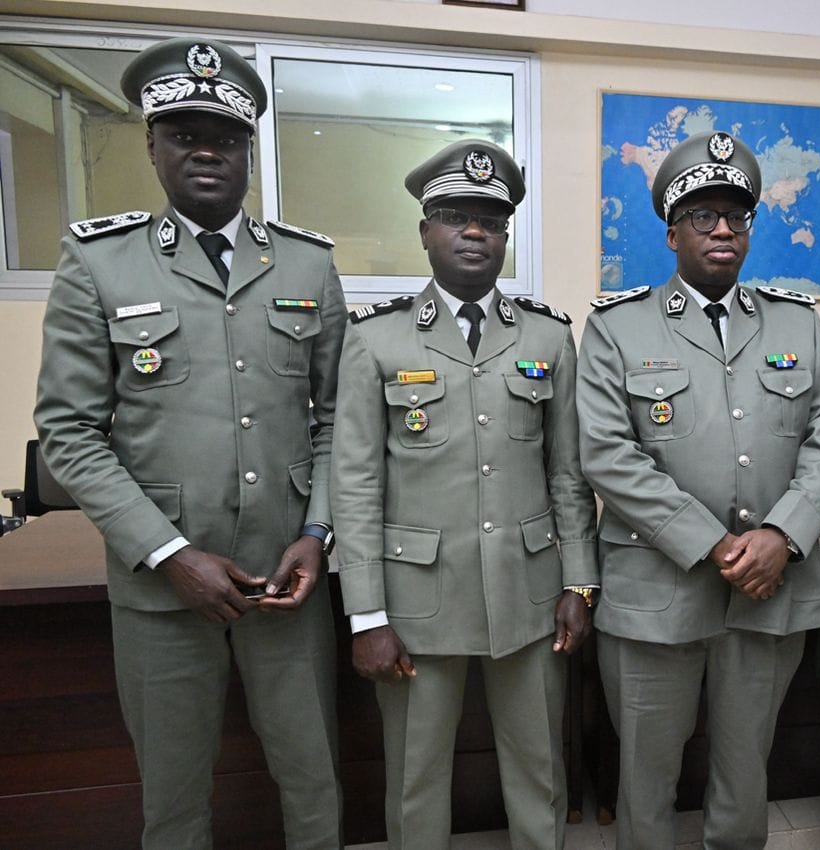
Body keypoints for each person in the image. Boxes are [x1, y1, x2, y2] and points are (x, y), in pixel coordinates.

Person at [34, 37, 346, 848]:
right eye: (183, 132)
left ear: (248, 147)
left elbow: (339, 420)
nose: (206, 149)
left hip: (287, 585)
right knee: (172, 802)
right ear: (151, 142)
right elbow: (68, 433)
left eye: (225, 135)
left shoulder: (307, 266)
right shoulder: (99, 263)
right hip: (161, 595)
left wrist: (317, 534)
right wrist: (170, 554)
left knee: (312, 784)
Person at [575, 130, 820, 850]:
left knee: (744, 773)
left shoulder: (798, 323)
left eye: (737, 214)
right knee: (646, 779)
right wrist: (714, 544)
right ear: (671, 232)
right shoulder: (615, 327)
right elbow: (606, 453)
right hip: (656, 594)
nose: (723, 228)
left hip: (772, 589)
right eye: (703, 215)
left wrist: (783, 536)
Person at [330, 139, 597, 849]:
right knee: (416, 781)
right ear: (425, 231)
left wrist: (581, 580)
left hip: (530, 593)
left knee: (541, 773)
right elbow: (353, 486)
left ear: (506, 234)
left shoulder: (547, 336)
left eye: (491, 219)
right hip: (417, 601)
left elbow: (567, 473)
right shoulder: (375, 340)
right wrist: (365, 617)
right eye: (454, 216)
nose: (474, 231)